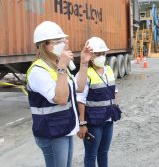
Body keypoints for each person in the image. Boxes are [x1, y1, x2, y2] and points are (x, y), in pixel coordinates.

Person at [26, 21, 92, 167]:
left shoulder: (58, 65)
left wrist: (84, 63)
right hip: (51, 132)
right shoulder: (38, 70)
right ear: (43, 45)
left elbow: (79, 87)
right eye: (57, 41)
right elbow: (61, 98)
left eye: (63, 40)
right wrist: (62, 66)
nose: (63, 44)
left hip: (64, 128)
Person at [76, 37, 121, 167]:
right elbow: (80, 99)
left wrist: (115, 107)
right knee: (91, 155)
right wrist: (82, 123)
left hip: (108, 120)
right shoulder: (84, 74)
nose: (101, 56)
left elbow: (114, 90)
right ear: (90, 56)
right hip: (93, 122)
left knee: (104, 153)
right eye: (98, 54)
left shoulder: (108, 69)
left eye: (103, 53)